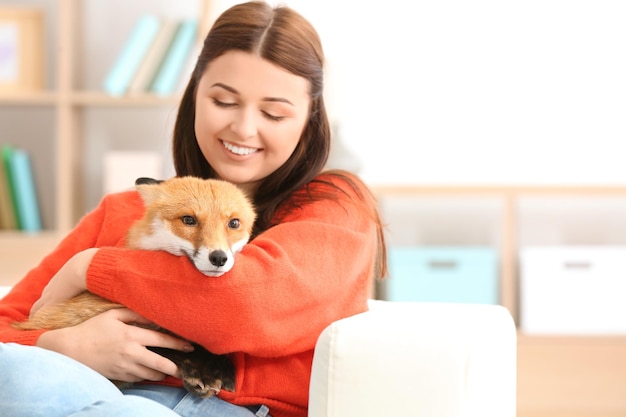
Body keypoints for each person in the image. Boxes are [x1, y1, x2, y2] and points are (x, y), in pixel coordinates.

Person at [0, 1, 387, 417]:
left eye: (273, 112)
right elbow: (10, 323)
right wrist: (63, 345)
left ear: (309, 118)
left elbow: (242, 306)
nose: (243, 128)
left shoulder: (332, 207)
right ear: (195, 96)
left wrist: (90, 266)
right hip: (91, 389)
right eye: (223, 101)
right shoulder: (126, 208)